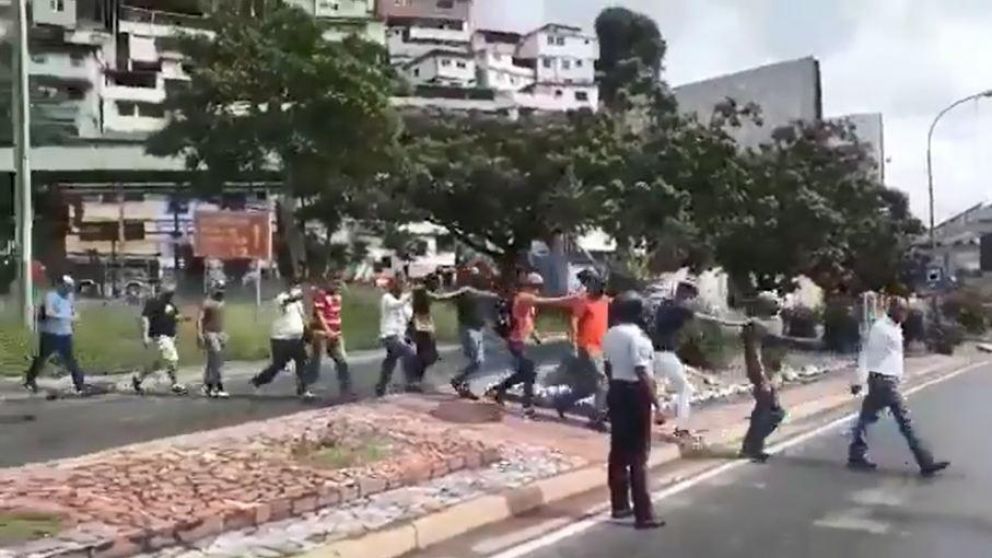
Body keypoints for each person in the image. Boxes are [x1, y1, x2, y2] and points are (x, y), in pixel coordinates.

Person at [848, 297, 950, 477]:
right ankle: (925, 461)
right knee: (906, 422)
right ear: (892, 309)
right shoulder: (880, 329)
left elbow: (892, 357)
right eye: (901, 310)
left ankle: (856, 454)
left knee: (866, 419)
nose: (905, 314)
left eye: (906, 311)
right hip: (883, 381)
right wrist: (859, 380)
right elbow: (867, 353)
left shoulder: (896, 328)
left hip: (887, 381)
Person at [602, 291, 664, 530]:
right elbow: (642, 372)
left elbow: (608, 366)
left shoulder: (610, 334)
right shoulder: (638, 337)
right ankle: (644, 514)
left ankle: (619, 505)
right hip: (635, 393)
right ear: (637, 312)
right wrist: (657, 404)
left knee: (618, 451)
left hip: (616, 390)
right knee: (639, 455)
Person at [651, 280, 743, 438]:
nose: (690, 300)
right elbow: (706, 321)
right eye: (690, 296)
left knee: (667, 388)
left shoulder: (665, 305)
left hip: (653, 353)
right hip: (664, 354)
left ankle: (661, 412)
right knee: (685, 390)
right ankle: (680, 427)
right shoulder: (680, 309)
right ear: (684, 293)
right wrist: (738, 324)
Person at [485, 272, 572, 419]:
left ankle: (499, 390)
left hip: (523, 341)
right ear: (527, 286)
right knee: (529, 373)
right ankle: (527, 407)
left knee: (524, 373)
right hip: (517, 341)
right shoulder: (524, 297)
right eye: (534, 286)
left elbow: (528, 323)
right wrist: (571, 299)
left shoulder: (529, 302)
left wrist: (536, 337)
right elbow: (547, 302)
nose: (537, 290)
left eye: (539, 287)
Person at [554, 270, 612, 431]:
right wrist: (574, 342)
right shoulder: (584, 301)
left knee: (589, 386)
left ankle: (562, 402)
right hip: (588, 346)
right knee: (602, 382)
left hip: (600, 347)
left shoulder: (606, 301)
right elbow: (574, 321)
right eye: (594, 284)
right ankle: (597, 418)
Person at [430, 267, 499, 399]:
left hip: (478, 329)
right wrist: (432, 296)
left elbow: (492, 297)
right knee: (477, 361)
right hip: (468, 329)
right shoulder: (465, 291)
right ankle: (458, 380)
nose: (476, 278)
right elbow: (445, 297)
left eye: (477, 276)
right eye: (474, 276)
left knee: (477, 361)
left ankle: (464, 384)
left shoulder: (481, 292)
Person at [24, 275, 88, 395]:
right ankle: (30, 380)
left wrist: (74, 316)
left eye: (70, 286)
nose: (69, 288)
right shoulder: (51, 296)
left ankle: (79, 385)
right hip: (50, 334)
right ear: (60, 285)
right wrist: (67, 316)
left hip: (65, 333)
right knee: (42, 359)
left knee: (70, 360)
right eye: (66, 286)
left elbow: (72, 311)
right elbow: (49, 312)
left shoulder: (69, 297)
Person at [250, 282, 313, 399]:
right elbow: (286, 302)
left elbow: (302, 316)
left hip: (296, 338)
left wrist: (307, 331)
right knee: (278, 365)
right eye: (294, 287)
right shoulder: (280, 298)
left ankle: (303, 389)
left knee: (303, 361)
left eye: (297, 287)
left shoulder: (298, 303)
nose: (296, 289)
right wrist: (297, 296)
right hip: (280, 338)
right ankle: (258, 380)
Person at [133, 283, 188, 395]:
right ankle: (175, 384)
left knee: (156, 364)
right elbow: (145, 318)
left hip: (169, 336)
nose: (170, 296)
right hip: (160, 336)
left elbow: (174, 316)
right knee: (172, 359)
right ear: (162, 291)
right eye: (169, 293)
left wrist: (182, 318)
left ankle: (138, 379)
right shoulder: (153, 302)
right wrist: (145, 335)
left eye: (172, 294)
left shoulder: (170, 304)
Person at [308, 277, 353, 400]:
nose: (337, 286)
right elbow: (320, 315)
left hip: (335, 333)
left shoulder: (338, 297)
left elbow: (335, 315)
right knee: (315, 361)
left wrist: (336, 332)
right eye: (335, 283)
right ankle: (305, 386)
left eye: (339, 283)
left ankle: (346, 388)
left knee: (342, 360)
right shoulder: (321, 295)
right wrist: (327, 331)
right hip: (321, 333)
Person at [374, 276, 416, 396]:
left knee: (391, 361)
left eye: (401, 285)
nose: (400, 288)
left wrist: (410, 302)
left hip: (399, 335)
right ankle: (411, 382)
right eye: (398, 285)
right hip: (389, 335)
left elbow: (409, 316)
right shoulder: (387, 298)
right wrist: (408, 296)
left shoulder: (404, 301)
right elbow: (395, 305)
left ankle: (381, 386)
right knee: (409, 353)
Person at [198, 281, 228, 398]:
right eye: (219, 289)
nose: (221, 292)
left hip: (219, 333)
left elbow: (220, 319)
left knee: (212, 361)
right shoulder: (207, 303)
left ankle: (207, 385)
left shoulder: (222, 302)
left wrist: (223, 332)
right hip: (210, 332)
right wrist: (200, 334)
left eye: (223, 289)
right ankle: (217, 386)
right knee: (217, 360)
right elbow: (200, 319)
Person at [407, 284, 439, 392]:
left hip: (422, 326)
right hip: (421, 328)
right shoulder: (418, 305)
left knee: (425, 355)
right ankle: (415, 380)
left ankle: (416, 380)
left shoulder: (419, 305)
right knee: (426, 356)